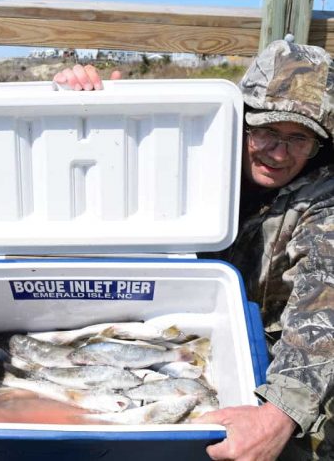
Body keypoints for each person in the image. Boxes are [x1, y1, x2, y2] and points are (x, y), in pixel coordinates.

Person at [53, 40, 334, 461]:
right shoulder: (185, 150)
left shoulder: (324, 198)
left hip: (274, 355)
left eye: (300, 139)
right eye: (267, 131)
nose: (279, 153)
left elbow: (323, 302)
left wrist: (280, 414)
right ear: (239, 122)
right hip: (158, 321)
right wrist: (93, 110)